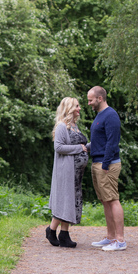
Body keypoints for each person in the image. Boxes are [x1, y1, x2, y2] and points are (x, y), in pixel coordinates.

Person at [46, 97, 89, 248]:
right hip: (65, 171)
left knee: (71, 202)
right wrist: (80, 149)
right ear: (70, 108)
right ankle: (51, 230)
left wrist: (91, 145)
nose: (80, 108)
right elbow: (58, 147)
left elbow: (82, 146)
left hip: (76, 173)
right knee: (65, 201)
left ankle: (64, 235)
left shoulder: (75, 126)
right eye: (77, 106)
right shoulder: (61, 127)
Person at [87, 86, 126, 251]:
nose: (89, 103)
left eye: (90, 100)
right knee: (105, 201)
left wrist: (105, 165)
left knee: (112, 199)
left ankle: (120, 240)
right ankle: (110, 237)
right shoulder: (99, 116)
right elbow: (99, 141)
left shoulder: (111, 115)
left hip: (107, 164)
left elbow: (112, 142)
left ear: (99, 98)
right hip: (98, 162)